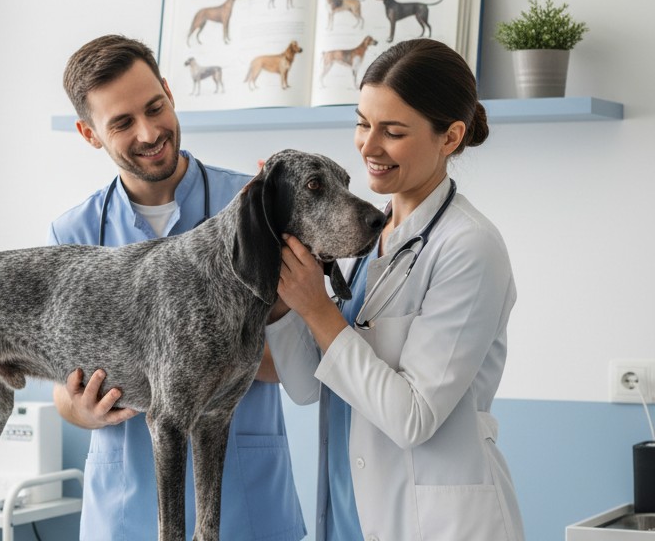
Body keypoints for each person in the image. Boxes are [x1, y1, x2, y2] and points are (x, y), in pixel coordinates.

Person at [48, 34, 306, 541]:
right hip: (125, 511)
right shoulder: (73, 236)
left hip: (244, 507)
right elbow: (63, 382)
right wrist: (76, 408)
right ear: (89, 133)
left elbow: (303, 354)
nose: (149, 132)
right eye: (121, 123)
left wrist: (209, 357)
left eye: (155, 106)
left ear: (169, 90)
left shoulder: (253, 206)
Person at [267, 38, 525, 541]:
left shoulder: (469, 248)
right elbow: (304, 386)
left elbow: (413, 417)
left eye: (393, 131)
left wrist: (319, 310)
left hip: (435, 523)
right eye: (363, 123)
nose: (368, 146)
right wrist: (285, 297)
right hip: (346, 515)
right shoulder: (366, 236)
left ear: (450, 137)